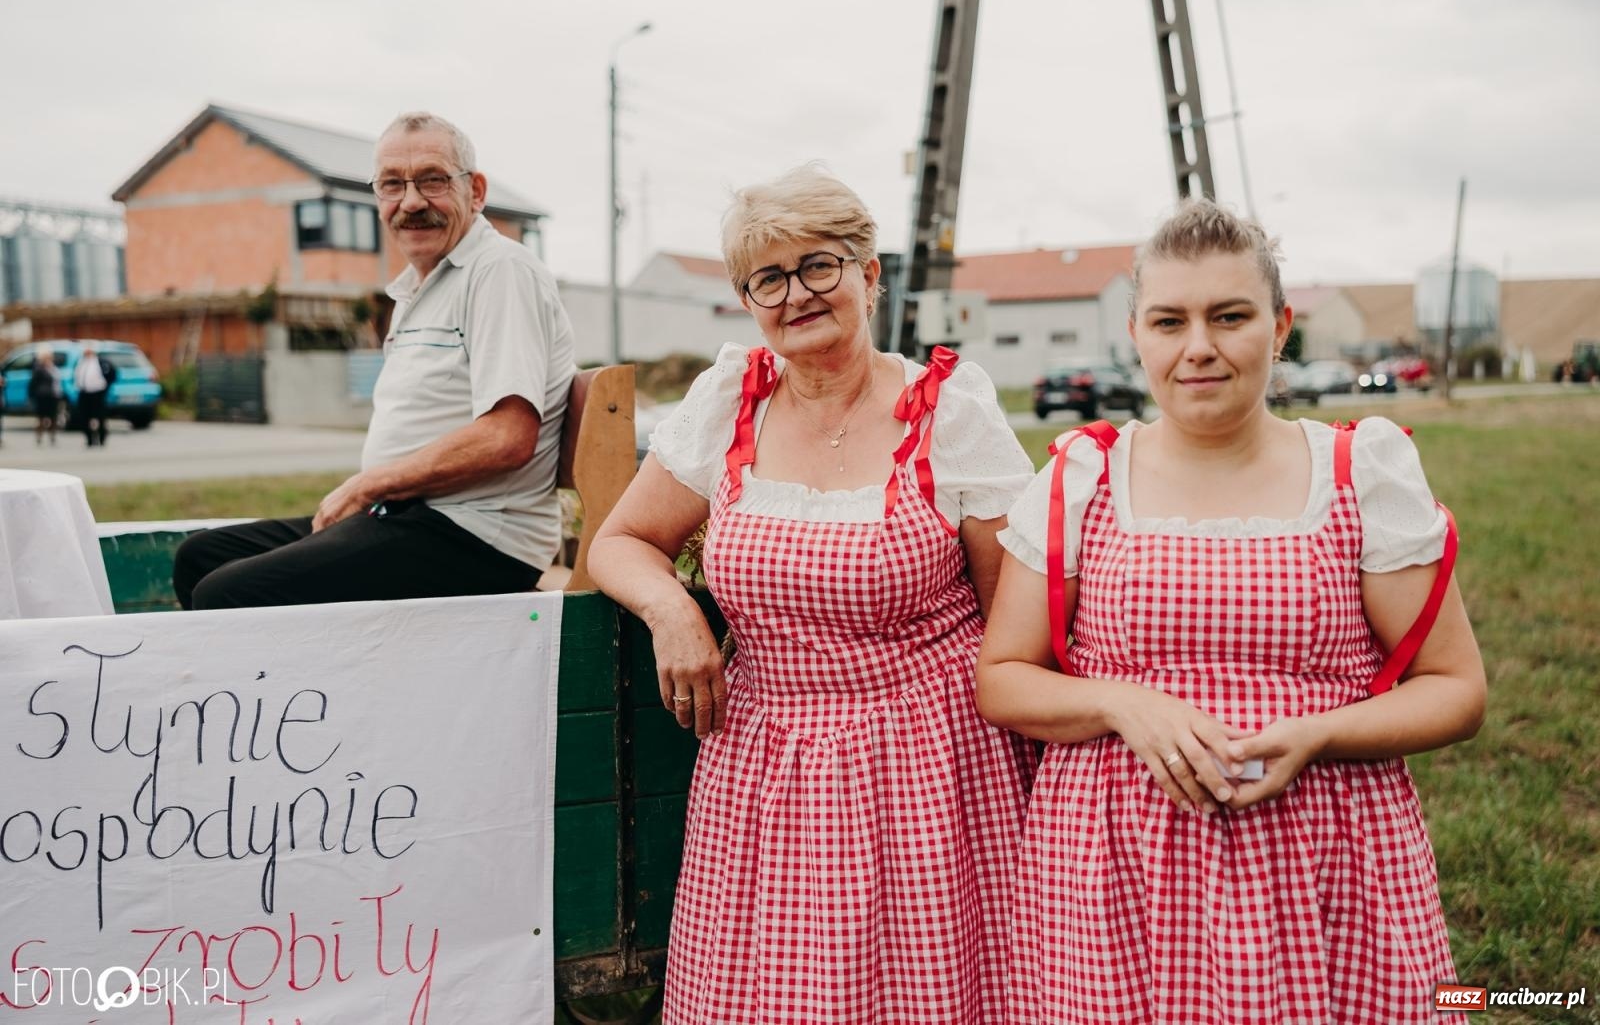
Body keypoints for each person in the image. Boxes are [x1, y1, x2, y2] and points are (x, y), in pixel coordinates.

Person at [976, 199, 1486, 1024]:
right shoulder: (1079, 481)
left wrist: (1320, 732)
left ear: (1280, 326)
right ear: (1136, 334)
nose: (1199, 347)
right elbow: (1001, 680)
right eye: (1169, 321)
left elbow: (1456, 690)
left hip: (1326, 857)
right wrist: (1121, 699)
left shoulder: (1362, 473)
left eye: (1231, 316)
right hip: (1114, 870)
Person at [589, 166, 1037, 1023]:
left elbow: (1008, 617)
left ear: (870, 276)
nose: (795, 294)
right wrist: (674, 609)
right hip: (767, 766)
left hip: (930, 770)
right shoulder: (730, 402)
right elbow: (621, 540)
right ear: (748, 299)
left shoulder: (950, 410)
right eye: (768, 277)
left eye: (819, 266)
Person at [173, 111, 575, 610]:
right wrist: (375, 493)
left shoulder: (499, 271)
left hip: (475, 533)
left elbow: (507, 437)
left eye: (432, 181)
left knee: (228, 593)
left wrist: (369, 484)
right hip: (408, 516)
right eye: (392, 185)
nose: (410, 202)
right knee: (200, 558)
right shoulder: (419, 287)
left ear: (475, 191)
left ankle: (305, 691)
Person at [74, 345, 116, 447]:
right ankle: (89, 439)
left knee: (100, 417)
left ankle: (101, 438)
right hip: (84, 393)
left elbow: (111, 375)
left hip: (97, 393)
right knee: (84, 417)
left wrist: (105, 387)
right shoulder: (80, 363)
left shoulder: (100, 362)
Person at [30, 351, 63, 446]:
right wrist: (33, 396)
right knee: (41, 418)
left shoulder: (54, 369)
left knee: (53, 418)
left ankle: (52, 437)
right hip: (42, 397)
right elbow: (33, 384)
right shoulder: (39, 370)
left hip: (53, 396)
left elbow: (58, 383)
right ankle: (39, 437)